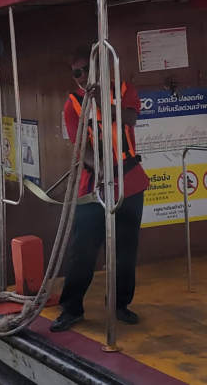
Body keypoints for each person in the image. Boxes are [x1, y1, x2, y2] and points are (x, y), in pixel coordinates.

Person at [50, 48, 150, 333]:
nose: (81, 77)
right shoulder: (72, 105)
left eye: (85, 70)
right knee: (82, 251)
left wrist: (102, 102)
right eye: (76, 73)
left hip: (130, 181)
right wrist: (101, 166)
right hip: (93, 186)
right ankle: (71, 309)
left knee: (125, 251)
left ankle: (120, 305)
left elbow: (129, 119)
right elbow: (81, 147)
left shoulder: (124, 90)